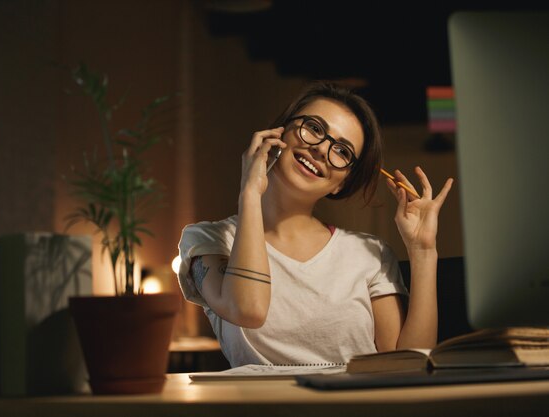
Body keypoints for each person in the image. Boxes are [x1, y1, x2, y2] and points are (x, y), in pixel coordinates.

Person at [177, 81, 454, 367]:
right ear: (281, 131)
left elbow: (408, 365)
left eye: (342, 151)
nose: (322, 149)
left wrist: (423, 251)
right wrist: (249, 193)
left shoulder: (370, 254)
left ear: (341, 183)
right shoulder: (208, 239)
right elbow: (248, 310)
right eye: (315, 128)